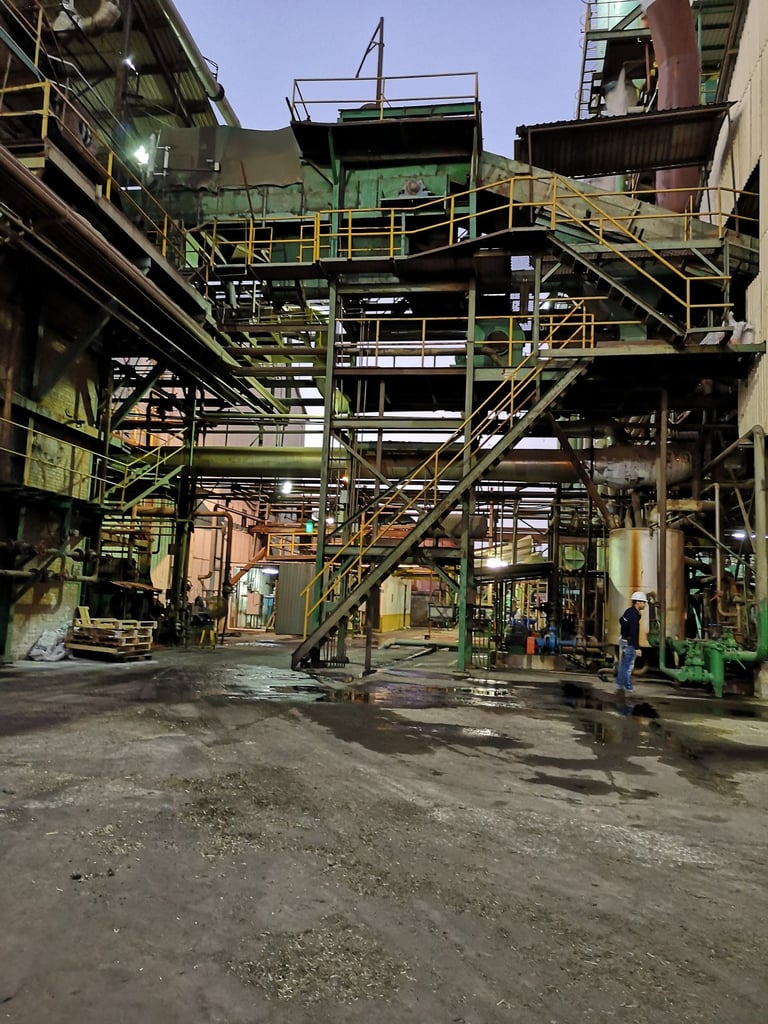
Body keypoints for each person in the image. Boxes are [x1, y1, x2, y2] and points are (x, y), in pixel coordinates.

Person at [617, 591, 647, 692]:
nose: (645, 604)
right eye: (643, 602)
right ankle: (627, 686)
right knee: (628, 666)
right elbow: (634, 632)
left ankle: (620, 684)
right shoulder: (634, 615)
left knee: (623, 664)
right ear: (638, 602)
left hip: (624, 640)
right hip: (629, 642)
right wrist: (637, 648)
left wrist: (624, 633)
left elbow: (621, 620)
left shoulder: (629, 611)